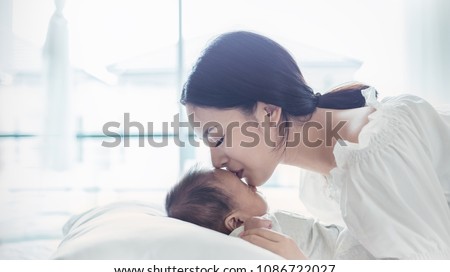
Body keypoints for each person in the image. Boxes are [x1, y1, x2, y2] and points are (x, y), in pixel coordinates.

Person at [180, 31, 450, 259]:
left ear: (268, 112)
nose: (215, 161)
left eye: (217, 138)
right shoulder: (318, 181)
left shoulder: (372, 149)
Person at [165, 167, 373, 259]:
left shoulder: (251, 227)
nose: (252, 186)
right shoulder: (251, 232)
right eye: (244, 187)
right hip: (347, 253)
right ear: (236, 220)